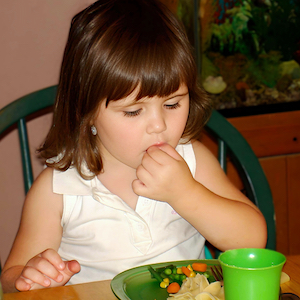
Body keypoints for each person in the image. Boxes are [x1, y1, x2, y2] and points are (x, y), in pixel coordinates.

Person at [0, 0, 267, 293]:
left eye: (173, 103)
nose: (159, 125)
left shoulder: (191, 162)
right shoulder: (59, 190)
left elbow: (253, 239)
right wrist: (31, 276)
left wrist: (186, 193)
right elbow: (11, 278)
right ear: (85, 111)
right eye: (133, 111)